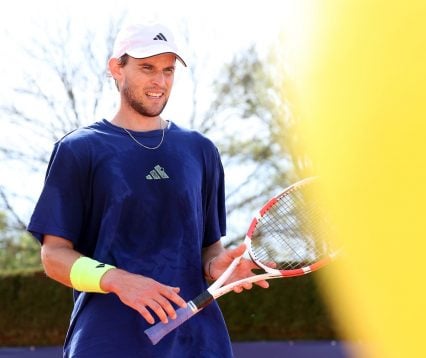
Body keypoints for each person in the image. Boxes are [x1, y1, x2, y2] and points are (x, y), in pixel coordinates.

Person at [27, 21, 268, 358]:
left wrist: (218, 268)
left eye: (168, 70)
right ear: (117, 69)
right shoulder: (79, 150)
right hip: (107, 343)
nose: (160, 81)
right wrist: (118, 280)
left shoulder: (200, 150)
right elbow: (53, 257)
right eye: (147, 68)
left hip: (198, 343)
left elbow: (208, 250)